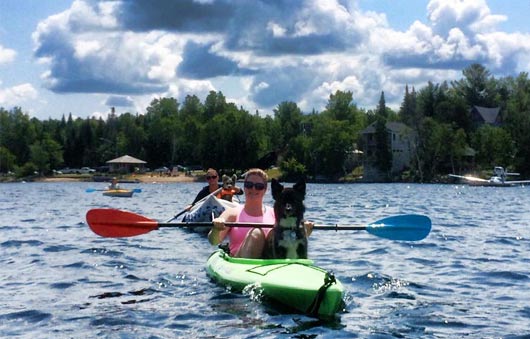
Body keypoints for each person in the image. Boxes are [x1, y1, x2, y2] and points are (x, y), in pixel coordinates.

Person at [208, 168, 313, 259]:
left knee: (273, 233)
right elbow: (214, 241)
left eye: (258, 186)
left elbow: (291, 237)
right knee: (257, 234)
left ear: (266, 190)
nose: (253, 189)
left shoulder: (278, 213)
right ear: (244, 187)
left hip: (268, 263)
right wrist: (216, 228)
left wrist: (305, 229)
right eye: (249, 185)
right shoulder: (233, 212)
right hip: (239, 262)